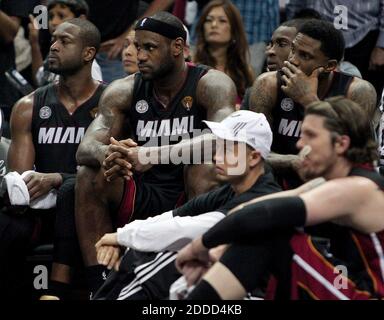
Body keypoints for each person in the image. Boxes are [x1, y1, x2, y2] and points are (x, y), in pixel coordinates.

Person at [74, 11, 236, 294]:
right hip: (142, 189)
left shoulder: (211, 83)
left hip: (190, 194)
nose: (140, 55)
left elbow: (224, 140)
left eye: (150, 47)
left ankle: (197, 275)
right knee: (87, 173)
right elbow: (85, 148)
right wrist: (110, 153)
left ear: (177, 47)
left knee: (204, 165)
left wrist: (152, 154)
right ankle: (98, 283)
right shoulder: (123, 89)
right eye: (137, 47)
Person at [176, 96, 384, 300]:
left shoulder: (359, 188)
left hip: (368, 293)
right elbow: (256, 208)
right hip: (345, 276)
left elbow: (261, 213)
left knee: (274, 235)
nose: (300, 144)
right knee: (270, 228)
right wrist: (224, 245)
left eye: (310, 136)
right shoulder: (331, 183)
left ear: (340, 144)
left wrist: (198, 247)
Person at [92, 110, 286, 300]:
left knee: (164, 256)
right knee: (144, 249)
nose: (216, 156)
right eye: (218, 147)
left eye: (227, 149)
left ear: (254, 158)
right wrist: (120, 238)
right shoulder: (233, 189)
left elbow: (187, 230)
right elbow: (174, 217)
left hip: (253, 294)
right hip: (225, 284)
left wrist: (121, 237)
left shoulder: (262, 196)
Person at [1, 18, 105, 299]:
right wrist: (27, 188)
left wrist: (59, 179)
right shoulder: (28, 106)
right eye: (53, 40)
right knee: (8, 224)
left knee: (75, 191)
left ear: (88, 53)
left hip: (96, 202)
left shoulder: (112, 102)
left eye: (65, 41)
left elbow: (116, 171)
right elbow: (21, 186)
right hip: (43, 208)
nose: (54, 47)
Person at [249, 19, 377, 188]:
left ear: (330, 66)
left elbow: (355, 156)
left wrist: (308, 100)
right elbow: (251, 152)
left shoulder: (358, 92)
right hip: (275, 183)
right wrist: (293, 162)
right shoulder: (268, 85)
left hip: (334, 186)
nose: (292, 60)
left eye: (305, 55)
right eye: (293, 50)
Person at [286, 0, 384, 98]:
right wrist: (294, 30)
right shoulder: (273, 81)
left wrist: (381, 45)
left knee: (358, 97)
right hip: (313, 34)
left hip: (364, 35)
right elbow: (295, 4)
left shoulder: (361, 89)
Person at [28, 0, 102, 87]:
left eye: (61, 16)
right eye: (51, 17)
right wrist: (34, 43)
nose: (54, 22)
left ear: (81, 19)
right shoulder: (54, 51)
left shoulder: (88, 67)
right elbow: (40, 80)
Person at [193, 0, 254, 106]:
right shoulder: (192, 66)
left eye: (222, 21)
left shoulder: (244, 71)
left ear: (234, 31)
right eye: (208, 20)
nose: (214, 25)